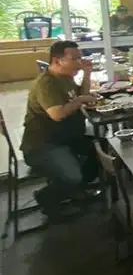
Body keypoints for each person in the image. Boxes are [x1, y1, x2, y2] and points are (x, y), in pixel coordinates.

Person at [20, 40, 99, 218]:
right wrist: (79, 101)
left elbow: (80, 95)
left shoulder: (65, 77)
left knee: (101, 150)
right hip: (43, 145)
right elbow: (57, 114)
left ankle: (75, 190)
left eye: (80, 58)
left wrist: (87, 74)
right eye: (75, 59)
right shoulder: (46, 83)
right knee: (73, 175)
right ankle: (47, 198)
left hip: (66, 139)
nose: (79, 62)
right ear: (57, 60)